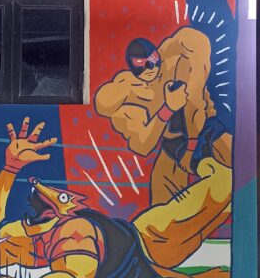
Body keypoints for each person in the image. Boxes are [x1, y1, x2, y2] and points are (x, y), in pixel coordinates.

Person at [0, 117, 231, 278]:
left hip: (151, 236)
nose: (39, 188)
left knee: (225, 184)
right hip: (153, 256)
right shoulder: (25, 236)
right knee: (226, 201)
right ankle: (203, 159)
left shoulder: (72, 230)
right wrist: (10, 168)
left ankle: (202, 160)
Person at [94, 30, 232, 204]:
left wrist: (192, 146)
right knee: (162, 209)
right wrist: (168, 108)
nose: (149, 68)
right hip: (173, 148)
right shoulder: (126, 98)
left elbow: (195, 101)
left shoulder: (175, 56)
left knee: (242, 174)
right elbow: (141, 146)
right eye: (141, 64)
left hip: (207, 132)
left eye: (152, 60)